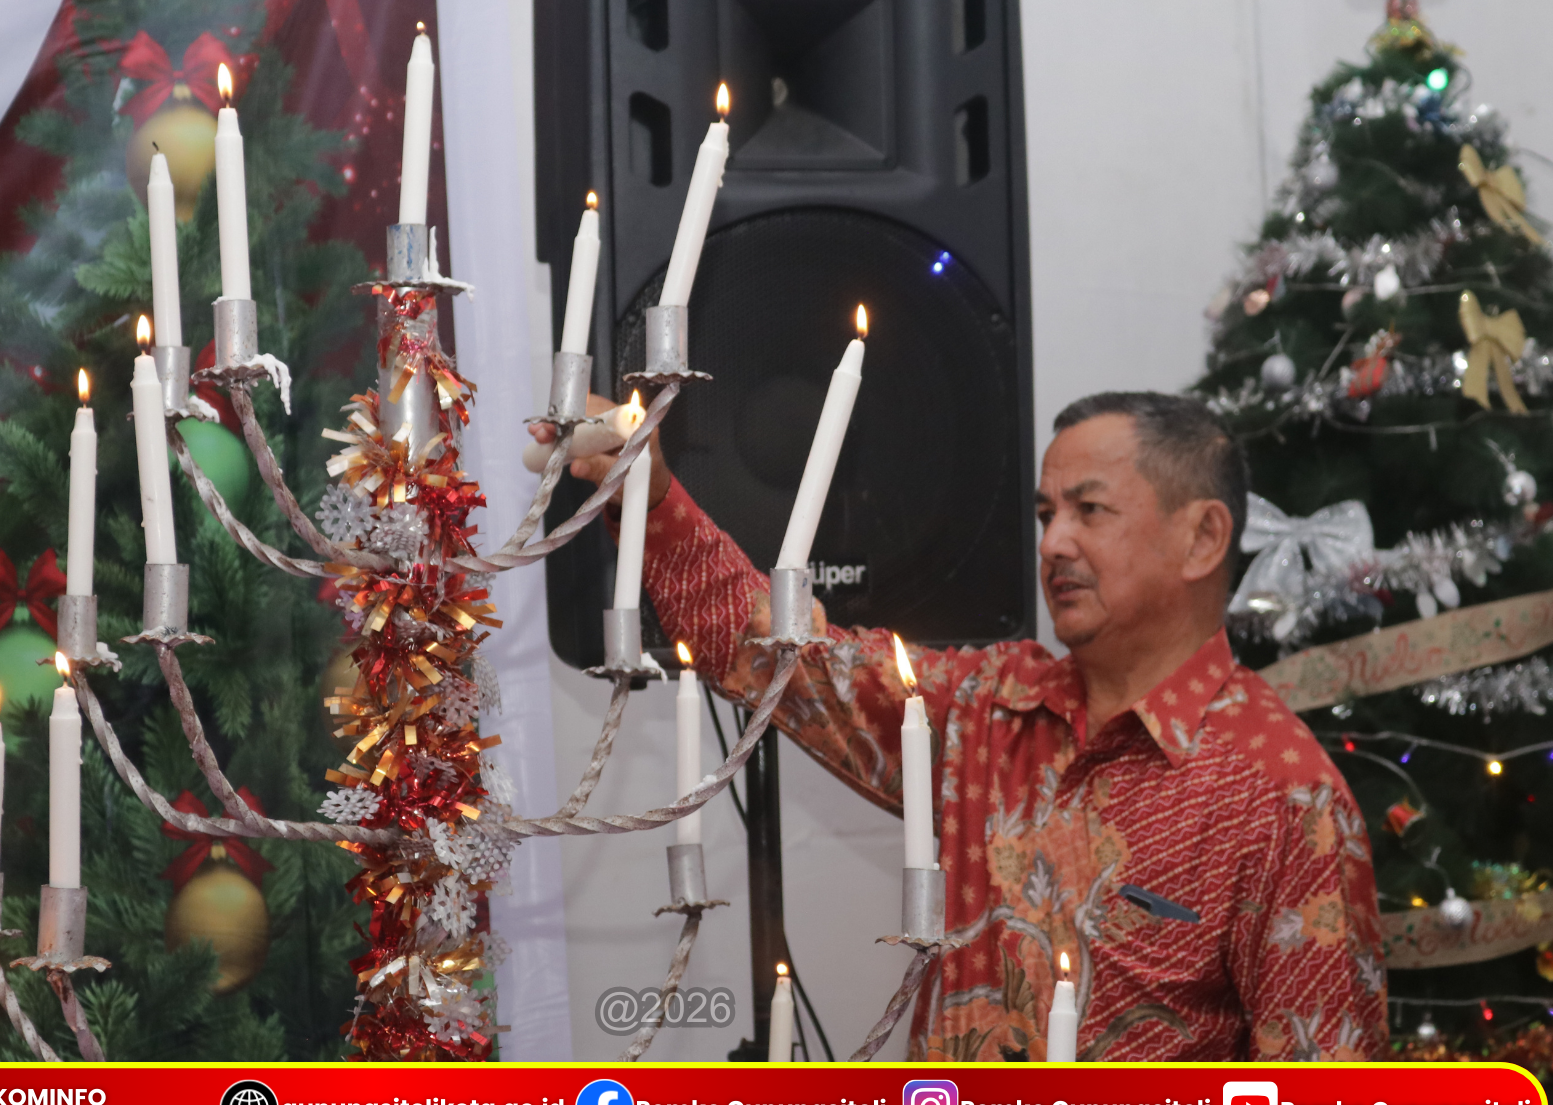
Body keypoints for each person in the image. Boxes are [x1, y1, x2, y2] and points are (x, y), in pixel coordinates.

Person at [532, 390, 1386, 1061]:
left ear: (1203, 538)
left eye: (1090, 511)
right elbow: (779, 654)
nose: (1053, 543)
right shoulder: (989, 707)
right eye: (1046, 515)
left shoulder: (1284, 796)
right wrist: (652, 496)